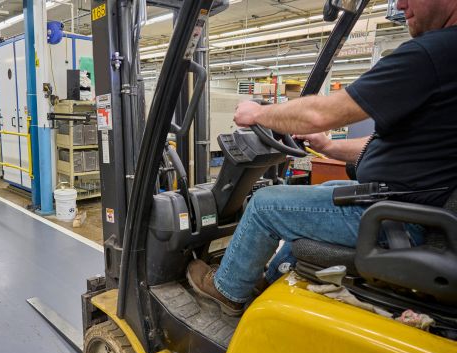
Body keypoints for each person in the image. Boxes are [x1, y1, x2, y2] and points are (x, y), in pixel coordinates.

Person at [187, 0, 457, 316]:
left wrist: (258, 112)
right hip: (400, 205)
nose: (399, 4)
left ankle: (228, 290)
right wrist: (327, 146)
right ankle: (271, 280)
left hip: (393, 218)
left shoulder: (434, 53)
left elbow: (319, 113)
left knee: (264, 204)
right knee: (309, 194)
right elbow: (393, 149)